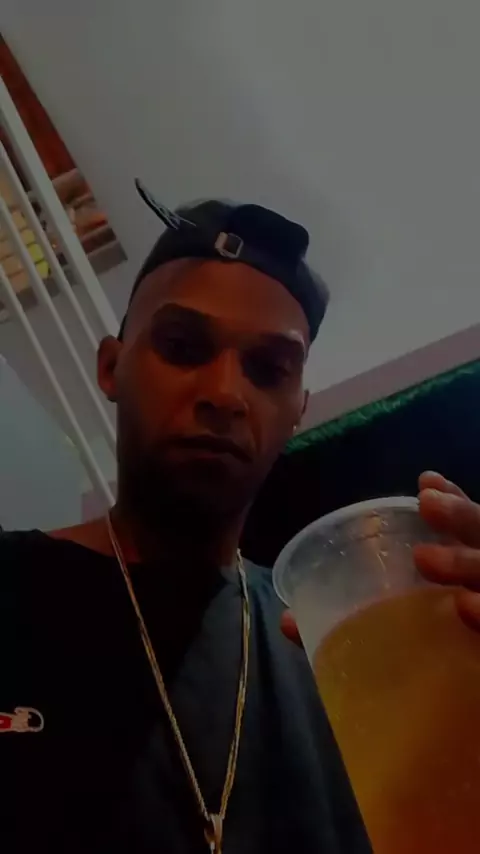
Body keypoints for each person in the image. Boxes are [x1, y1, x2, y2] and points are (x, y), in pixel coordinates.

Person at [1, 185, 479, 854]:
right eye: (183, 346)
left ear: (298, 409)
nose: (226, 393)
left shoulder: (335, 656)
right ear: (111, 367)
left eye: (268, 368)